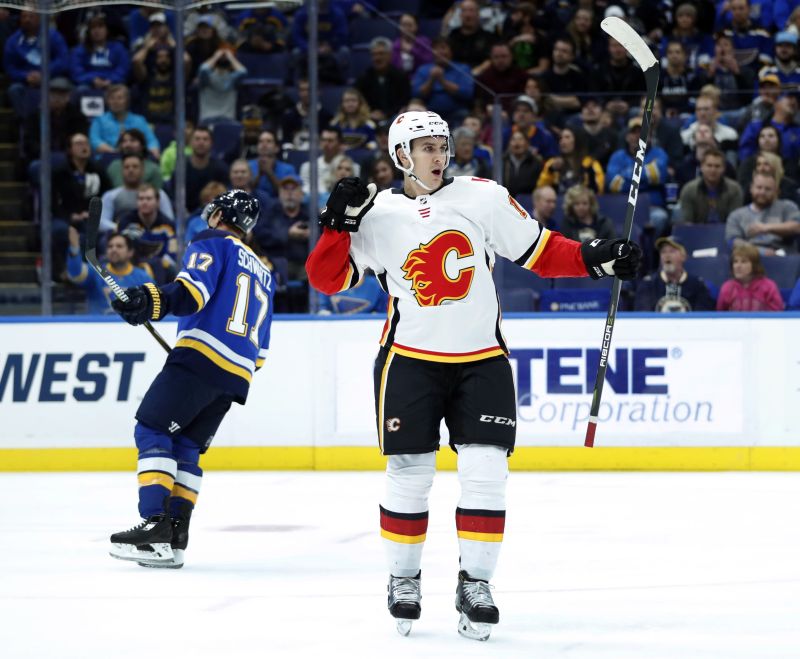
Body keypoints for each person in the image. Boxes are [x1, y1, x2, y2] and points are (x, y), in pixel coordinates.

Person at [305, 110, 641, 641]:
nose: (440, 156)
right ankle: (403, 578)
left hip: (481, 359)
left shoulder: (483, 197)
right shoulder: (379, 213)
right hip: (409, 361)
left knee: (487, 471)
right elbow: (326, 280)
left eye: (443, 146)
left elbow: (541, 250)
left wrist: (595, 258)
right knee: (410, 473)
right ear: (401, 156)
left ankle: (475, 583)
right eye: (427, 148)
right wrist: (336, 223)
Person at [107, 190, 274, 569]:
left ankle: (155, 526)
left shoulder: (212, 241)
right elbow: (260, 352)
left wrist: (149, 300)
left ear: (220, 215)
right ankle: (176, 535)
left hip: (201, 361)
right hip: (237, 376)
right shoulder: (265, 272)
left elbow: (191, 293)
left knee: (151, 428)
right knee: (185, 447)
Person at [65, 228, 152, 314]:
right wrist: (74, 249)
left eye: (119, 246)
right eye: (110, 246)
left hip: (130, 327)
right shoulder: (96, 272)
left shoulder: (143, 277)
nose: (113, 249)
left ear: (130, 252)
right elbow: (75, 274)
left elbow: (153, 305)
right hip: (97, 326)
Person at [4, 11, 69, 117]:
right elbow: (10, 67)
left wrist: (44, 73)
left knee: (61, 85)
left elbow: (63, 60)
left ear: (39, 19)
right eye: (24, 17)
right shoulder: (13, 41)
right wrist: (25, 76)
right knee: (14, 90)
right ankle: (25, 123)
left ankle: (58, 120)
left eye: (31, 16)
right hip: (26, 81)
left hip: (51, 77)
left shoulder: (53, 35)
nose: (27, 20)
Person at [725, 172, 800, 255]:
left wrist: (766, 228)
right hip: (751, 258)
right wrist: (760, 252)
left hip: (784, 255)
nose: (762, 192)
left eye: (767, 189)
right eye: (759, 187)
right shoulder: (737, 215)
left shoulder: (787, 206)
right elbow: (733, 241)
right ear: (751, 188)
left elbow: (797, 227)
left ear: (777, 191)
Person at [634, 236, 716, 311]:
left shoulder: (697, 285)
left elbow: (702, 319)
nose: (667, 255)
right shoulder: (648, 285)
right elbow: (643, 317)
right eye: (663, 252)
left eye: (672, 251)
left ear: (683, 257)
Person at [253, 174, 310, 280]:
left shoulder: (310, 213)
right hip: (275, 264)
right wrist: (287, 234)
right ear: (279, 193)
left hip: (304, 265)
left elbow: (322, 236)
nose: (289, 193)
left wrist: (312, 235)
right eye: (285, 189)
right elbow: (259, 234)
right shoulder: (270, 211)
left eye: (293, 189)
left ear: (301, 194)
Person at [100, 154, 174, 230]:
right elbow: (102, 222)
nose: (131, 170)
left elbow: (169, 220)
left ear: (142, 170)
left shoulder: (160, 194)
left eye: (135, 166)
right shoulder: (110, 196)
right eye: (126, 167)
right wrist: (123, 229)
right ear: (122, 170)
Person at [411, 37, 474, 124]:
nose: (440, 52)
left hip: (457, 114)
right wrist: (431, 80)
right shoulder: (423, 69)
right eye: (436, 49)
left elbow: (467, 94)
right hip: (429, 114)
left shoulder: (463, 69)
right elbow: (416, 94)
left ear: (451, 51)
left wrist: (442, 81)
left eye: (443, 48)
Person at [89, 85, 161, 159]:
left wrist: (154, 150)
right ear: (107, 101)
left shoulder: (139, 120)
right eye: (112, 98)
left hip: (137, 159)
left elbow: (151, 140)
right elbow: (95, 141)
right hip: (108, 159)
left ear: (127, 101)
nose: (115, 101)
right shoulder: (99, 121)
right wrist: (115, 153)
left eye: (119, 98)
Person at [676, 147, 743, 225]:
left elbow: (735, 223)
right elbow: (687, 223)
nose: (713, 170)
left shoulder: (734, 190)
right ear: (702, 167)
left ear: (724, 168)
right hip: (696, 234)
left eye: (717, 166)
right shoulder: (688, 190)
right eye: (709, 165)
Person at [69, 13, 130, 91]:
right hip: (88, 85)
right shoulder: (80, 50)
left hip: (113, 84)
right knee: (81, 90)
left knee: (121, 90)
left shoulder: (118, 48)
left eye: (100, 27)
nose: (97, 31)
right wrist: (92, 80)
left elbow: (123, 68)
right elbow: (76, 72)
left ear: (107, 29)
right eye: (93, 28)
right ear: (88, 31)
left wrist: (111, 80)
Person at [356, 37, 411, 122]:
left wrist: (386, 114)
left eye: (381, 54)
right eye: (374, 54)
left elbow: (404, 102)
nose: (377, 58)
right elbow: (359, 100)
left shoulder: (401, 76)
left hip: (395, 118)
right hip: (369, 117)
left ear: (390, 55)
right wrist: (370, 113)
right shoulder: (364, 77)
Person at [716, 243, 785, 311]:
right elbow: (719, 316)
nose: (738, 266)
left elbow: (777, 316)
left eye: (744, 262)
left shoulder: (769, 286)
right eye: (735, 262)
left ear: (754, 265)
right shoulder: (727, 287)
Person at [537, 126, 604, 195]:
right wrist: (550, 171)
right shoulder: (552, 163)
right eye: (561, 138)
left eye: (567, 137)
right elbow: (540, 190)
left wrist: (589, 173)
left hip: (582, 203)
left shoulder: (590, 163)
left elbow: (599, 190)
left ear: (577, 140)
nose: (562, 141)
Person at [184, 126, 230, 213]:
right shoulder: (182, 168)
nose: (201, 143)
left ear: (211, 143)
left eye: (205, 139)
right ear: (190, 142)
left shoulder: (221, 169)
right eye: (197, 139)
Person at [197, 48, 247, 122]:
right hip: (210, 120)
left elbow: (204, 69)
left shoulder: (231, 79)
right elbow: (242, 71)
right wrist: (231, 57)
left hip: (224, 120)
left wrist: (216, 56)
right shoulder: (208, 79)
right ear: (230, 66)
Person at [248, 129, 296, 197]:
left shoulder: (288, 169)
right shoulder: (248, 166)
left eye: (269, 141)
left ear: (277, 148)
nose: (264, 145)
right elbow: (245, 191)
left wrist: (269, 173)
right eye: (260, 141)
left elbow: (288, 194)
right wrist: (259, 175)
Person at [502, 129, 543, 197]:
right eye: (513, 139)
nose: (517, 143)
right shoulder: (502, 163)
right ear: (509, 144)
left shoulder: (536, 164)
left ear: (527, 144)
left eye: (520, 139)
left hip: (527, 204)